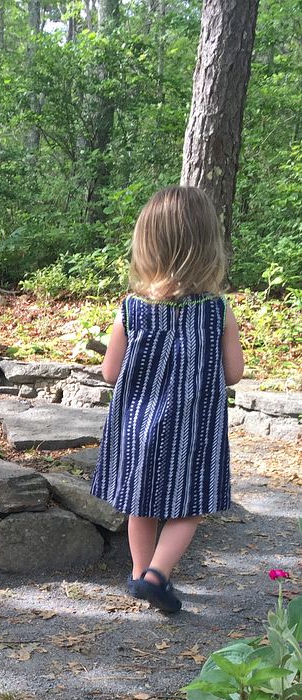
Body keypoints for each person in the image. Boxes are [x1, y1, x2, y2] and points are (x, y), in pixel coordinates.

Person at [91, 185, 245, 614]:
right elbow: (234, 372)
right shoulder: (217, 310)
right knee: (189, 506)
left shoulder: (131, 309)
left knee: (141, 503)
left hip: (139, 426)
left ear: (146, 245)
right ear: (208, 247)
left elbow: (110, 372)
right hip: (193, 428)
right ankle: (158, 575)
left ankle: (142, 574)